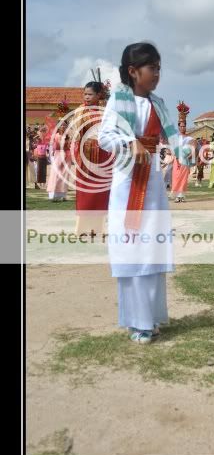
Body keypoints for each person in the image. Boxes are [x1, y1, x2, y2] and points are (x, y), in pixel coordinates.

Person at [98, 42, 194, 344]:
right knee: (132, 248)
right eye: (152, 68)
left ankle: (151, 317)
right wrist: (129, 141)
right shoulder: (118, 100)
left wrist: (185, 151)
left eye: (159, 68)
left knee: (152, 247)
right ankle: (136, 321)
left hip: (152, 184)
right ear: (132, 71)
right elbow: (104, 137)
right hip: (128, 183)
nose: (157, 73)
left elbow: (174, 136)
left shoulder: (159, 103)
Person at [73, 80, 112, 235]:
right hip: (86, 155)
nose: (87, 97)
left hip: (103, 154)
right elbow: (76, 135)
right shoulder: (79, 111)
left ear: (99, 95)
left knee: (101, 192)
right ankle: (81, 229)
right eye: (85, 94)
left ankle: (99, 228)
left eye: (90, 94)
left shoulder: (105, 111)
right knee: (85, 192)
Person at [171, 104, 194, 202]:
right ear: (178, 127)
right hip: (177, 159)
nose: (183, 128)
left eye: (184, 126)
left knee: (184, 178)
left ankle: (182, 195)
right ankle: (176, 195)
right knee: (176, 177)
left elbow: (193, 147)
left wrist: (191, 154)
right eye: (181, 126)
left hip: (186, 160)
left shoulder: (189, 138)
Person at [47, 123, 72, 201]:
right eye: (61, 125)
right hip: (58, 155)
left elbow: (71, 145)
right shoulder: (56, 135)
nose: (63, 127)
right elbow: (54, 146)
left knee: (65, 175)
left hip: (67, 155)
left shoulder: (69, 135)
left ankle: (63, 195)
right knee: (56, 174)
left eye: (65, 125)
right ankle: (53, 194)